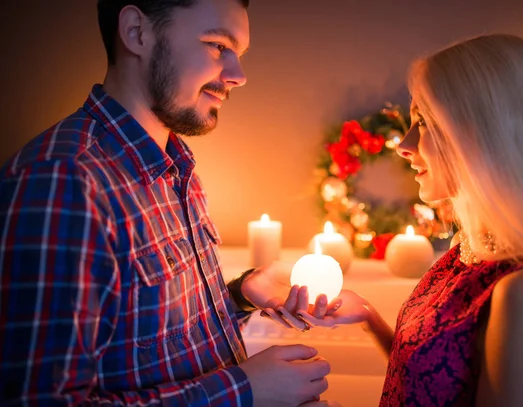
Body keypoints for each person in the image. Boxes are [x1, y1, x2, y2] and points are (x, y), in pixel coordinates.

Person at [0, 0, 334, 405]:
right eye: (217, 46)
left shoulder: (174, 165)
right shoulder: (63, 181)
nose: (238, 76)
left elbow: (147, 340)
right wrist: (246, 391)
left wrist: (244, 292)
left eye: (239, 55)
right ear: (137, 32)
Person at [297, 34, 523, 406]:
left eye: (423, 122)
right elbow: (436, 377)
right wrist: (369, 317)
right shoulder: (467, 248)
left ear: (486, 133)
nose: (403, 144)